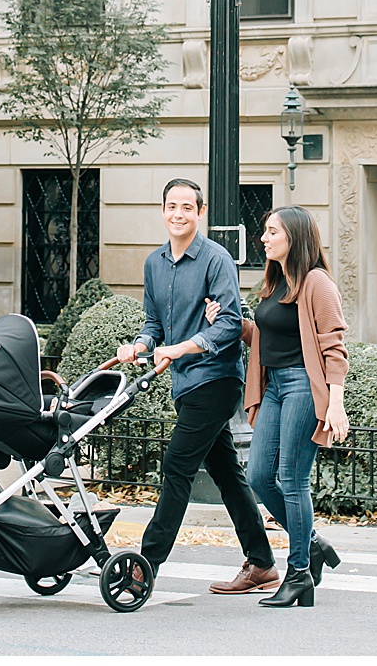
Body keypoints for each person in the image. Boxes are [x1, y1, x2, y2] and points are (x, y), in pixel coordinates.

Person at [114, 177, 277, 595]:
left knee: (177, 466)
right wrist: (140, 346)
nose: (178, 214)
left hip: (218, 379)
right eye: (172, 206)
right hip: (186, 384)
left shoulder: (216, 259)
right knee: (226, 473)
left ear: (200, 213)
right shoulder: (153, 264)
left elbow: (228, 323)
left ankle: (145, 565)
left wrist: (181, 348)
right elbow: (153, 324)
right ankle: (261, 563)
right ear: (162, 210)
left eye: (188, 207)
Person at [234, 204, 350, 607]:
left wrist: (336, 403)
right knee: (260, 476)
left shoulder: (317, 283)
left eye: (271, 232)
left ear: (294, 238)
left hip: (304, 385)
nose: (263, 238)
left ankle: (299, 573)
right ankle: (313, 543)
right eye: (265, 232)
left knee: (293, 478)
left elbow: (334, 348)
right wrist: (239, 324)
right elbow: (270, 337)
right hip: (276, 388)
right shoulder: (275, 281)